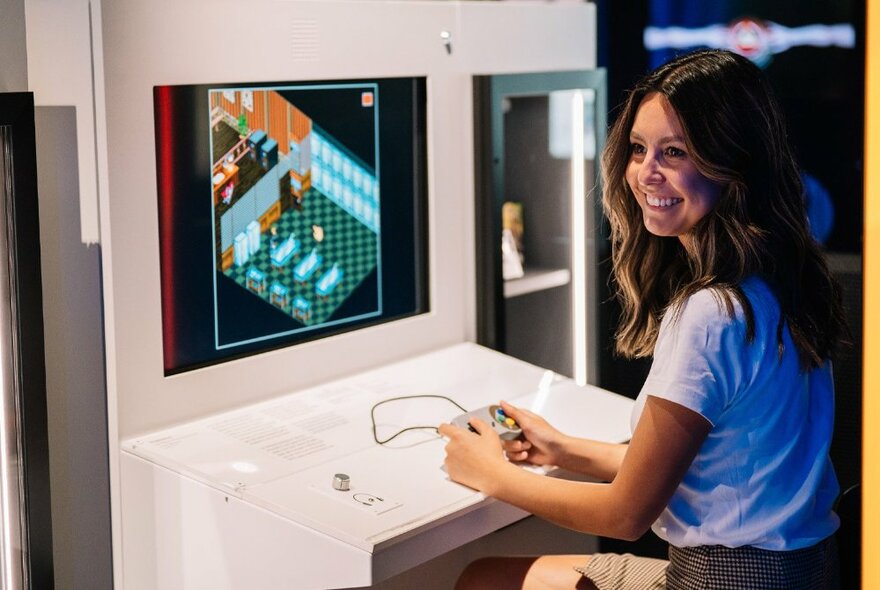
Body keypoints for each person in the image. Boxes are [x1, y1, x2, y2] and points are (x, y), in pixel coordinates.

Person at [439, 49, 847, 590]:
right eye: (637, 149)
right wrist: (562, 449)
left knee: (483, 581)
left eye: (673, 152)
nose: (645, 173)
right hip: (805, 574)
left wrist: (491, 474)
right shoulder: (783, 279)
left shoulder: (711, 312)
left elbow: (624, 515)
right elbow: (708, 469)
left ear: (733, 161)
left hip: (723, 580)